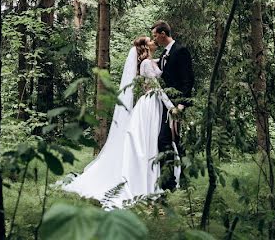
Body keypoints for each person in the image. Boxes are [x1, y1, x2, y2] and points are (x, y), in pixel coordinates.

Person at [61, 34, 177, 207]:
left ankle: (155, 178)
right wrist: (171, 106)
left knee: (152, 142)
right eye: (150, 41)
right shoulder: (145, 63)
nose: (153, 42)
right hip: (151, 104)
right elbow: (157, 87)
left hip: (156, 104)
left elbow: (161, 70)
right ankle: (142, 181)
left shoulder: (152, 61)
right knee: (146, 143)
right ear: (145, 47)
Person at [151, 20, 194, 191]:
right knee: (174, 141)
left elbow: (188, 80)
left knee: (165, 140)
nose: (154, 39)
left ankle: (171, 183)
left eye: (155, 35)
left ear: (163, 34)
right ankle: (178, 180)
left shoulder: (180, 51)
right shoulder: (165, 53)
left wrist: (182, 104)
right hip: (166, 105)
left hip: (176, 105)